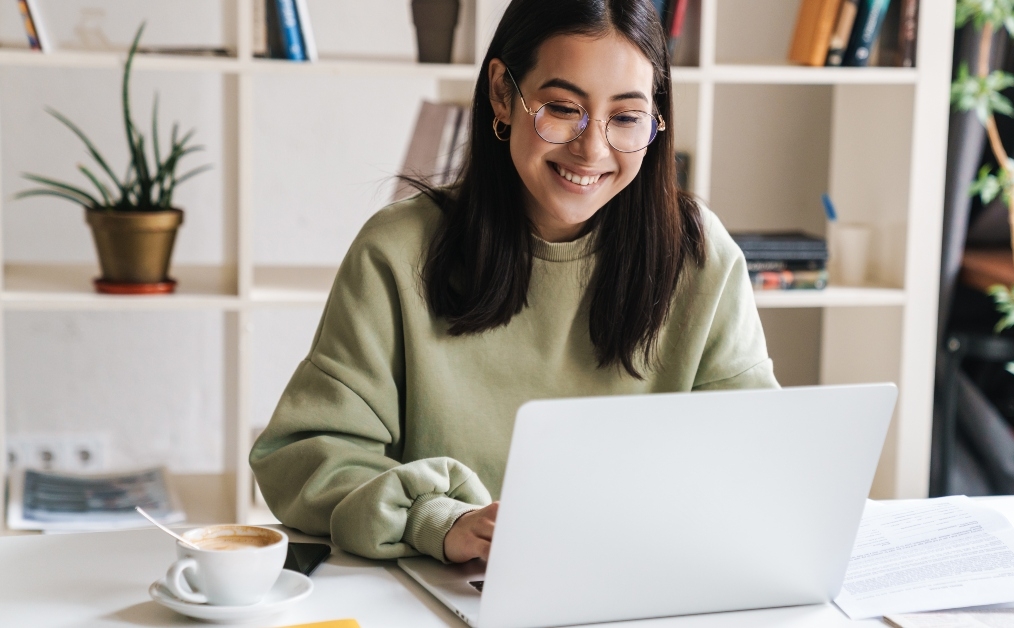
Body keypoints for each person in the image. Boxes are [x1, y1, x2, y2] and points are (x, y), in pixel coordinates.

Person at [250, 0, 779, 565]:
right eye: (561, 107)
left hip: (642, 581)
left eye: (625, 118)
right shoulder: (397, 251)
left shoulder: (700, 256)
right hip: (447, 591)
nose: (592, 149)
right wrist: (436, 519)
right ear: (502, 93)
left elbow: (758, 460)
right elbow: (305, 455)